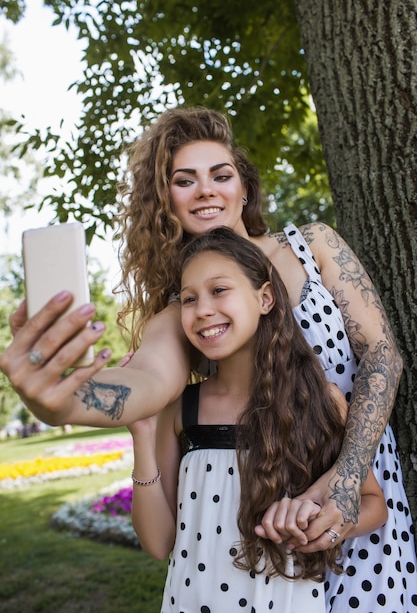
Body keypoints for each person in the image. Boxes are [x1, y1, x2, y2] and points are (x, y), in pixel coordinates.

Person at [0, 107, 416, 611]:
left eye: (221, 174)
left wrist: (348, 480)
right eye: (184, 180)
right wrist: (63, 401)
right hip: (263, 526)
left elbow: (382, 354)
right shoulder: (186, 313)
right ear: (165, 203)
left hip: (359, 497)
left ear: (245, 188)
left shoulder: (313, 245)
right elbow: (147, 382)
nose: (205, 190)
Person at [128, 226, 388, 612]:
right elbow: (158, 543)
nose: (202, 310)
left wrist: (315, 522)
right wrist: (142, 436)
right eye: (188, 299)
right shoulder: (180, 409)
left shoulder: (319, 400)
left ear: (265, 298)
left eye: (219, 290)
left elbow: (373, 505)